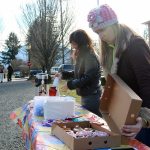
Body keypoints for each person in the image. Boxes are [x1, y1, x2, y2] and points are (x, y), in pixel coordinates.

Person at [87, 4, 150, 146]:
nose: (101, 36)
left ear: (114, 24)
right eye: (97, 32)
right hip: (123, 116)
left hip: (140, 121)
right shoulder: (109, 50)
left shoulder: (135, 45)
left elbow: (147, 84)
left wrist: (145, 119)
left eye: (102, 29)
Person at [61, 29, 102, 116]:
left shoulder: (89, 56)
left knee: (93, 123)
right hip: (87, 94)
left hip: (92, 96)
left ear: (79, 42)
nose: (72, 46)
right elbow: (78, 73)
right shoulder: (82, 55)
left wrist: (69, 85)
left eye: (73, 43)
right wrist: (63, 74)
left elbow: (87, 78)